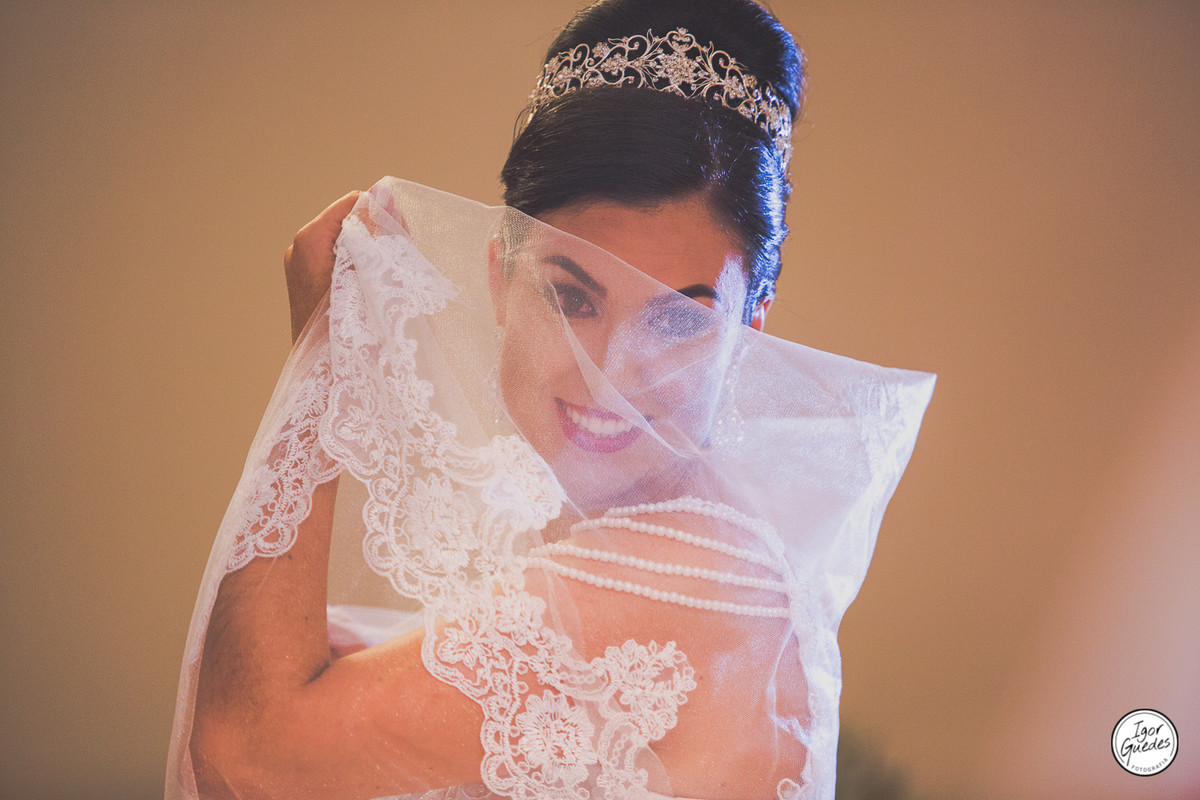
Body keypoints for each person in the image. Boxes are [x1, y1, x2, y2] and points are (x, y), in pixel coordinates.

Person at [167, 2, 934, 799]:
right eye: (573, 299)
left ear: (749, 333)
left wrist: (322, 343)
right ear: (499, 278)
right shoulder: (673, 553)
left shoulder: (678, 579)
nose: (611, 375)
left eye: (677, 321)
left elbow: (241, 753)